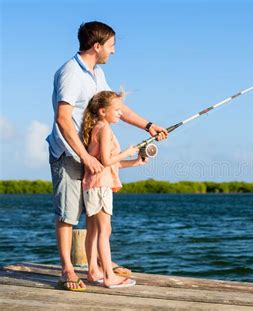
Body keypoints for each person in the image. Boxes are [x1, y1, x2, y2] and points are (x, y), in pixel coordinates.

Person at [46, 21, 168, 291]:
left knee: (93, 216)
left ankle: (96, 267)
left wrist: (149, 125)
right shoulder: (70, 73)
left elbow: (116, 108)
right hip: (68, 153)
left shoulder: (97, 75)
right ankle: (67, 269)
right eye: (111, 46)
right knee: (67, 214)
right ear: (97, 46)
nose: (113, 52)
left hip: (92, 156)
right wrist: (86, 157)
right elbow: (63, 119)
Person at [82, 90, 144, 288]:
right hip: (100, 186)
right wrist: (127, 151)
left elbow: (106, 163)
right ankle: (109, 276)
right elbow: (108, 160)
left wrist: (134, 161)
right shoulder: (105, 129)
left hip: (93, 184)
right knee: (103, 231)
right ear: (102, 111)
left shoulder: (97, 128)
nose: (120, 113)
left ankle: (93, 272)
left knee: (93, 230)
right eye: (116, 110)